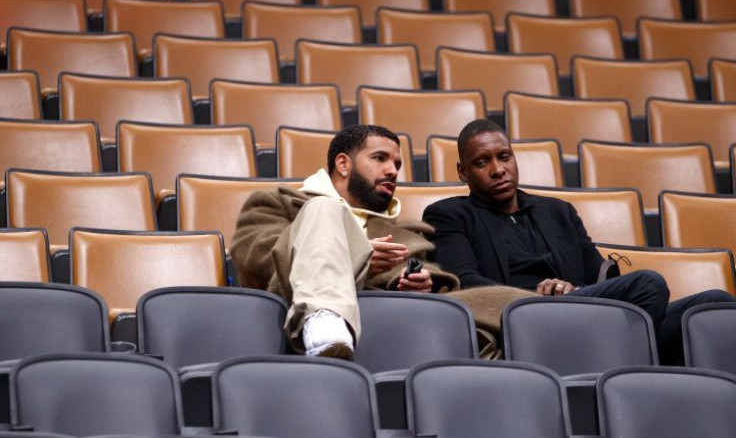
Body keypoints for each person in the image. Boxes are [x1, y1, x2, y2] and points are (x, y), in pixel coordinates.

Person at [423, 119, 736, 365]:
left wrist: (571, 292)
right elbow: (466, 283)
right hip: (524, 320)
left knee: (716, 303)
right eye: (482, 162)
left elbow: (599, 274)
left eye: (504, 156)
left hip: (586, 313)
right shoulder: (448, 214)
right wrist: (537, 294)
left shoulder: (558, 211)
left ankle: (615, 361)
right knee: (648, 284)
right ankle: (628, 369)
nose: (498, 169)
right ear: (463, 172)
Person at [229, 125, 469, 359]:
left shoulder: (405, 231)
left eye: (397, 164)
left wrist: (420, 283)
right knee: (323, 207)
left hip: (389, 332)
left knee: (497, 301)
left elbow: (431, 280)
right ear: (343, 164)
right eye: (380, 158)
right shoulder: (277, 204)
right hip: (287, 328)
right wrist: (355, 258)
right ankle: (323, 317)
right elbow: (257, 259)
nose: (393, 171)